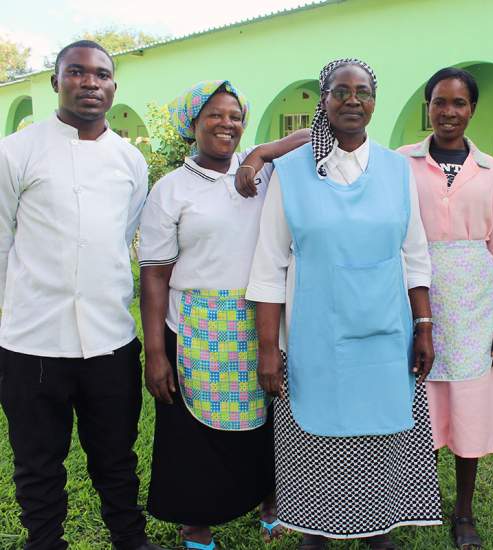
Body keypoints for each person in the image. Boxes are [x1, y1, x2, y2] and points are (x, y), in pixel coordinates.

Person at [244, 58, 441, 550]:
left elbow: (415, 256)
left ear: (375, 102)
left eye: (364, 91)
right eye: (341, 91)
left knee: (380, 439)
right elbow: (269, 267)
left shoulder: (398, 171)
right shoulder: (290, 173)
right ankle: (315, 535)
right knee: (316, 444)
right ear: (323, 100)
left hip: (385, 338)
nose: (353, 100)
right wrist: (270, 348)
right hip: (313, 342)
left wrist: (424, 328)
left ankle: (380, 532)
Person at [0, 40, 164, 550]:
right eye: (76, 72)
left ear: (114, 86)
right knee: (36, 458)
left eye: (102, 74)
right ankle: (44, 542)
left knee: (116, 455)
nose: (90, 82)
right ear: (56, 81)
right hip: (32, 341)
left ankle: (129, 540)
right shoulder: (15, 152)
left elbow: (122, 238)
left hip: (109, 338)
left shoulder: (130, 160)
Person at [138, 80, 309, 550]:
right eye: (213, 114)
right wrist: (155, 352)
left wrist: (258, 155)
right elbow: (154, 275)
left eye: (234, 115)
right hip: (195, 324)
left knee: (267, 417)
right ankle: (196, 522)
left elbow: (314, 134)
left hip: (261, 317)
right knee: (191, 430)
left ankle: (270, 502)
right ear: (192, 124)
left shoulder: (263, 175)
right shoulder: (170, 190)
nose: (226, 123)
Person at [398, 67, 493, 550]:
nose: (448, 112)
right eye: (439, 102)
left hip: (476, 306)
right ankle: (408, 505)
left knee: (468, 408)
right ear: (428, 107)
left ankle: (463, 513)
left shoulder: (489, 170)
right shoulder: (400, 163)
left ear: (472, 109)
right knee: (416, 406)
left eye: (459, 103)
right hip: (413, 297)